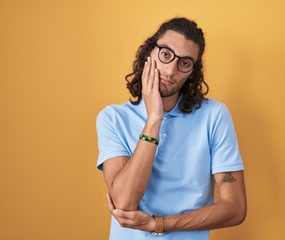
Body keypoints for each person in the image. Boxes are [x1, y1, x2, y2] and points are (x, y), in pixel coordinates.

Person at [96, 17, 247, 240]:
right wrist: (154, 118)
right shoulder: (112, 118)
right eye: (165, 54)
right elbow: (124, 203)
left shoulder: (215, 116)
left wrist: (160, 224)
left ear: (192, 72)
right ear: (149, 52)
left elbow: (235, 208)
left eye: (184, 63)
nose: (170, 70)